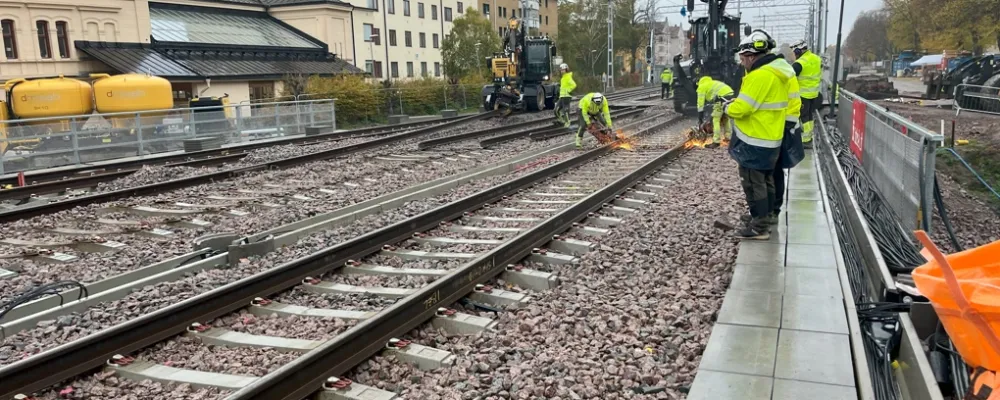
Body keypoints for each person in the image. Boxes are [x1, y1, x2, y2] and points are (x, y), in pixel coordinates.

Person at [724, 29, 789, 240]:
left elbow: (743, 108)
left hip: (755, 140)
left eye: (743, 59)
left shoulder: (759, 76)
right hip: (771, 138)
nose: (743, 63)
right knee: (767, 180)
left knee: (754, 183)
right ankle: (766, 217)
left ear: (752, 56)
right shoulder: (776, 74)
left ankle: (760, 227)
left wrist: (728, 108)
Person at [769, 52, 805, 223]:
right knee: (775, 170)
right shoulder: (787, 73)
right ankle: (772, 209)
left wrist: (786, 125)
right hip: (783, 125)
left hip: (780, 126)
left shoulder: (779, 74)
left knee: (774, 169)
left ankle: (772, 210)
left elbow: (789, 102)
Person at [791, 39, 822, 148]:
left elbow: (789, 77)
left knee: (803, 117)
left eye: (795, 52)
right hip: (814, 94)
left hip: (803, 94)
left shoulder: (800, 63)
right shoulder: (817, 58)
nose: (794, 55)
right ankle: (809, 136)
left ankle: (806, 139)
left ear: (799, 51)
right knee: (809, 116)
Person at [696, 76, 734, 148]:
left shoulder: (701, 87)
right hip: (730, 96)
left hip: (721, 99)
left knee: (716, 120)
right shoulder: (712, 83)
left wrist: (700, 117)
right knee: (726, 118)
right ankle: (728, 138)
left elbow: (700, 103)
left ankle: (716, 141)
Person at [555, 63, 576, 128]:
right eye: (561, 70)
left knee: (565, 110)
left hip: (567, 96)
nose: (562, 71)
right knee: (556, 110)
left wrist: (568, 90)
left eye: (563, 70)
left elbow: (574, 85)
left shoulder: (568, 77)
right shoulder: (563, 78)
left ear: (566, 70)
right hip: (562, 96)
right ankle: (562, 120)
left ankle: (567, 122)